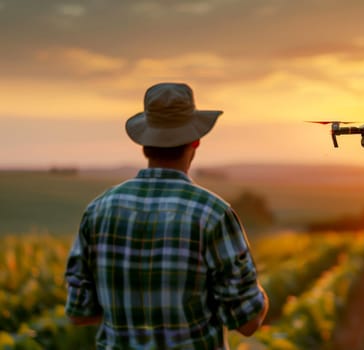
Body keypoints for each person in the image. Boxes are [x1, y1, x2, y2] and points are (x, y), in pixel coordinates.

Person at [64, 82, 269, 349]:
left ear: (144, 143)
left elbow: (80, 313)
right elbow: (248, 322)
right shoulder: (213, 214)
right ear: (196, 140)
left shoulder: (99, 209)